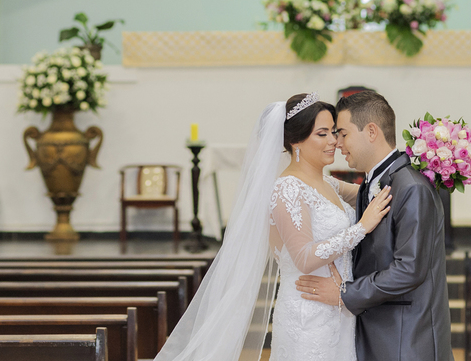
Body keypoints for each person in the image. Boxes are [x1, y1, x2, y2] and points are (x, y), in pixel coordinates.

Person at [154, 93, 391, 361]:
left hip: (338, 310)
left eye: (334, 132)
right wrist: (361, 227)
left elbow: (374, 192)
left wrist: (420, 164)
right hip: (307, 314)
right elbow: (303, 257)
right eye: (322, 134)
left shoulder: (329, 183)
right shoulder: (286, 188)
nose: (334, 142)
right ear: (295, 141)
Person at [298, 89, 453, 361]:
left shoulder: (412, 187)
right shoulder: (373, 183)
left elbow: (409, 270)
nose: (338, 143)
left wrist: (345, 294)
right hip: (381, 331)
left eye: (343, 134)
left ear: (371, 131)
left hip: (406, 338)